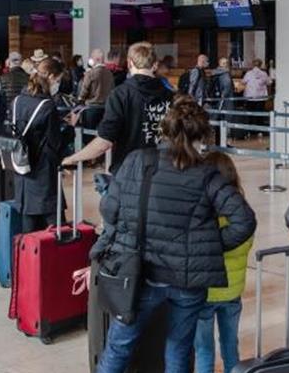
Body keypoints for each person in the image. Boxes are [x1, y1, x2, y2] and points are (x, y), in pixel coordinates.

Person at [58, 96, 256, 373]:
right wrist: (204, 247)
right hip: (186, 283)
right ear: (200, 133)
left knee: (117, 350)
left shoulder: (138, 162)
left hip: (140, 276)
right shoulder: (207, 174)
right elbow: (244, 220)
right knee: (178, 354)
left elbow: (111, 210)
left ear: (164, 128)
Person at [190, 151, 254, 373]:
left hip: (204, 294)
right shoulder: (243, 213)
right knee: (231, 352)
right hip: (233, 292)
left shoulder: (203, 216)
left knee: (203, 355)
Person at [63, 42, 174, 176]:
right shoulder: (171, 96)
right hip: (164, 169)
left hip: (128, 170)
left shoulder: (120, 94)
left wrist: (72, 158)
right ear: (155, 65)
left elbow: (104, 141)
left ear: (129, 63)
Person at [11, 57, 67, 232]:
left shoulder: (17, 100)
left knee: (28, 226)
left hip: (22, 168)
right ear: (50, 76)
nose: (57, 83)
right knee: (53, 227)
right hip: (44, 172)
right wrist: (70, 128)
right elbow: (54, 143)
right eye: (57, 80)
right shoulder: (47, 106)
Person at [77, 48, 115, 138]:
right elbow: (112, 89)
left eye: (92, 58)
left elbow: (84, 90)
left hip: (91, 108)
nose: (90, 60)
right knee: (102, 135)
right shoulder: (110, 73)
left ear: (97, 59)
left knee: (88, 135)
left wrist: (80, 99)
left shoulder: (91, 74)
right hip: (105, 108)